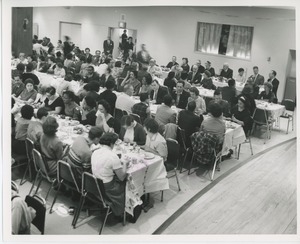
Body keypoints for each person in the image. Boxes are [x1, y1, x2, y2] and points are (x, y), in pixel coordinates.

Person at [91, 132, 127, 218]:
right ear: (111, 144)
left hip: (94, 183)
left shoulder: (95, 152)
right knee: (126, 182)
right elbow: (122, 177)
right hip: (107, 187)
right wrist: (125, 163)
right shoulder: (112, 156)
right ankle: (123, 210)